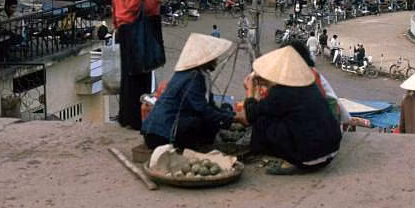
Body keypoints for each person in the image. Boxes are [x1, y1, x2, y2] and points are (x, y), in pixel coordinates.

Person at [234, 46, 342, 175]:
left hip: (309, 157)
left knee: (261, 121)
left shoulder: (282, 92)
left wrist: (251, 90)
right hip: (330, 150)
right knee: (271, 116)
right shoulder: (308, 86)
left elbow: (251, 114)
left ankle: (263, 152)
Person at [112, 0, 174, 130]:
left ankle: (128, 116)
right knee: (139, 75)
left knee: (130, 75)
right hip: (134, 26)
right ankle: (136, 118)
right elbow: (133, 5)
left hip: (126, 25)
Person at [141, 33, 235, 151]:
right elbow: (202, 109)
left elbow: (209, 104)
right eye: (213, 58)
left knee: (223, 109)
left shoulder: (199, 74)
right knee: (198, 121)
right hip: (160, 135)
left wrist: (229, 116)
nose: (216, 60)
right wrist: (231, 120)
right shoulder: (194, 77)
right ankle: (191, 146)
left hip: (162, 128)